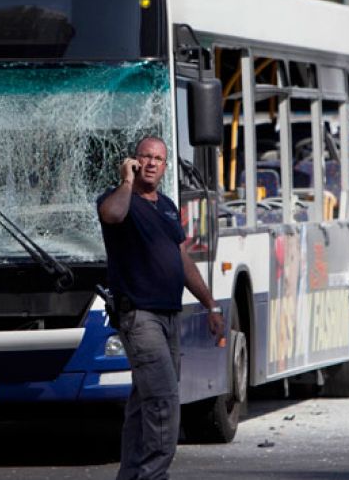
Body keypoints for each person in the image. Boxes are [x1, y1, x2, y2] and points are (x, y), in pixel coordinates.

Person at [97, 136, 224, 480]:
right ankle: (154, 475)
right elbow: (112, 215)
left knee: (144, 402)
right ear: (134, 161)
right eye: (146, 157)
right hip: (140, 316)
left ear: (166, 166)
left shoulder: (166, 205)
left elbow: (182, 260)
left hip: (170, 315)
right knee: (164, 400)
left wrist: (211, 305)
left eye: (159, 159)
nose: (152, 163)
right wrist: (126, 181)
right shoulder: (118, 199)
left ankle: (132, 475)